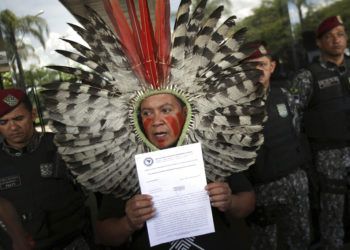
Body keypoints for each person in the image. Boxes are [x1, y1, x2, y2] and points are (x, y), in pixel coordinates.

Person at [95, 93, 256, 249]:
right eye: (147, 113)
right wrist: (128, 223)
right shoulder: (127, 166)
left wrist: (230, 202)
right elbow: (104, 234)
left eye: (166, 110)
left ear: (185, 113)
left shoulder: (212, 152)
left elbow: (248, 201)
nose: (156, 121)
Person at [0, 88, 93, 249]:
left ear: (33, 114)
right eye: (3, 122)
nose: (13, 127)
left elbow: (89, 191)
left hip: (72, 242)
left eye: (19, 118)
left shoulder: (62, 147)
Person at [244, 42, 310, 250]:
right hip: (262, 191)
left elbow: (296, 132)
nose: (259, 70)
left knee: (300, 239)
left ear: (272, 67)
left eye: (263, 64)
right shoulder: (234, 109)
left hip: (295, 181)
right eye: (252, 65)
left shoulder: (285, 96)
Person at [292, 15, 350, 250]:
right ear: (319, 43)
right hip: (329, 156)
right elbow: (293, 122)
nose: (336, 40)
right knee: (332, 217)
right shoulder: (307, 77)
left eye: (340, 34)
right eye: (329, 36)